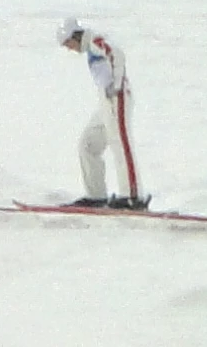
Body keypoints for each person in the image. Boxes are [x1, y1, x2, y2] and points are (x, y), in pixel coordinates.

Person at [59, 19, 146, 209]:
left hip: (118, 96)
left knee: (120, 143)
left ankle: (132, 196)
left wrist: (116, 85)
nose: (69, 48)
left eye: (68, 43)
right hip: (106, 101)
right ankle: (96, 195)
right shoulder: (91, 47)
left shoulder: (95, 41)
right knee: (88, 144)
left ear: (75, 35)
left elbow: (117, 54)